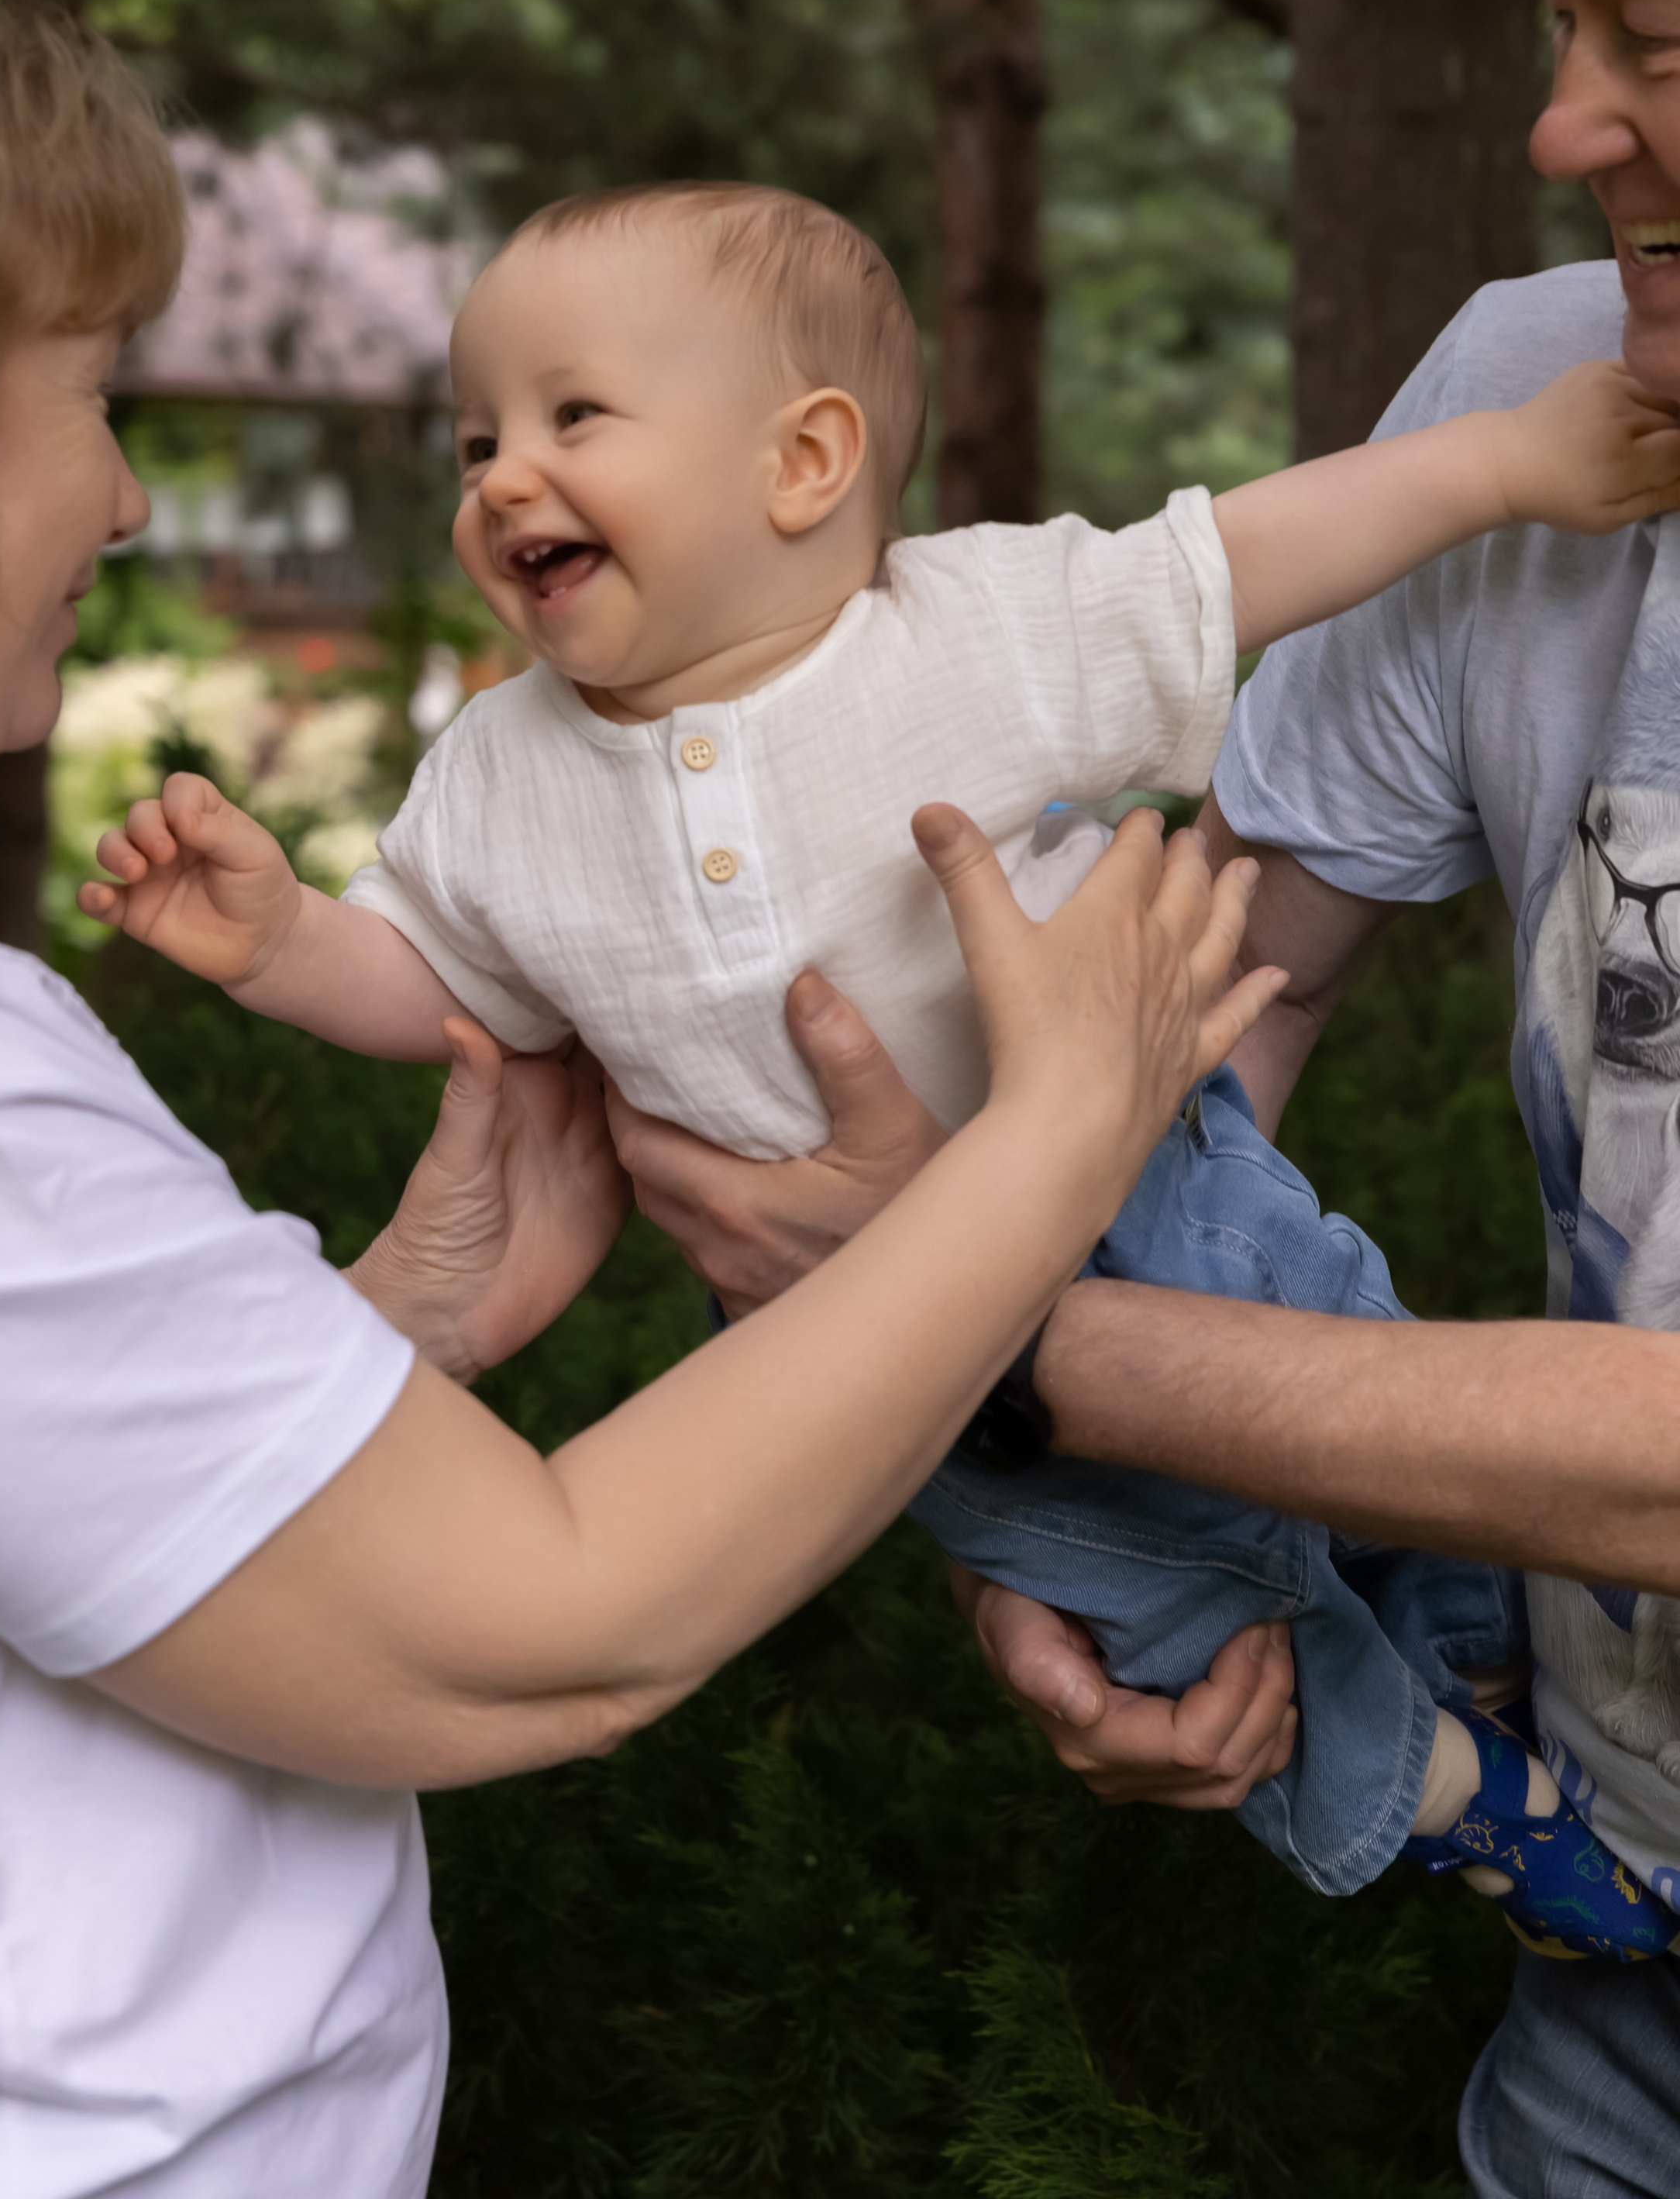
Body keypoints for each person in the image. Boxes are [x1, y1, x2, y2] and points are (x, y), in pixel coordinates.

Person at [0, 0, 1276, 2197]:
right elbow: (552, 1630)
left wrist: (393, 1332)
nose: (130, 500)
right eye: (86, 394)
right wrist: (1054, 1136)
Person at [88, 178, 1680, 1949]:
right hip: (828, 1326)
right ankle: (1462, 1809)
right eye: (473, 441)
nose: (496, 478)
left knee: (1377, 1427)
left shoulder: (969, 633)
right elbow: (435, 980)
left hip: (1151, 1186)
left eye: (568, 419)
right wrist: (286, 946)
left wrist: (1497, 471)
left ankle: (1487, 1665)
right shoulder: (495, 772)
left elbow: (1231, 557)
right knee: (1141, 1610)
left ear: (802, 462)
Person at [612, 0, 1680, 2196]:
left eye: (1659, 41)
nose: (1563, 129)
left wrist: (992, 1358)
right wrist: (1097, 1550)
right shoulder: (1550, 419)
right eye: (1563, 23)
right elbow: (1212, 1021)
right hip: (1618, 1963)